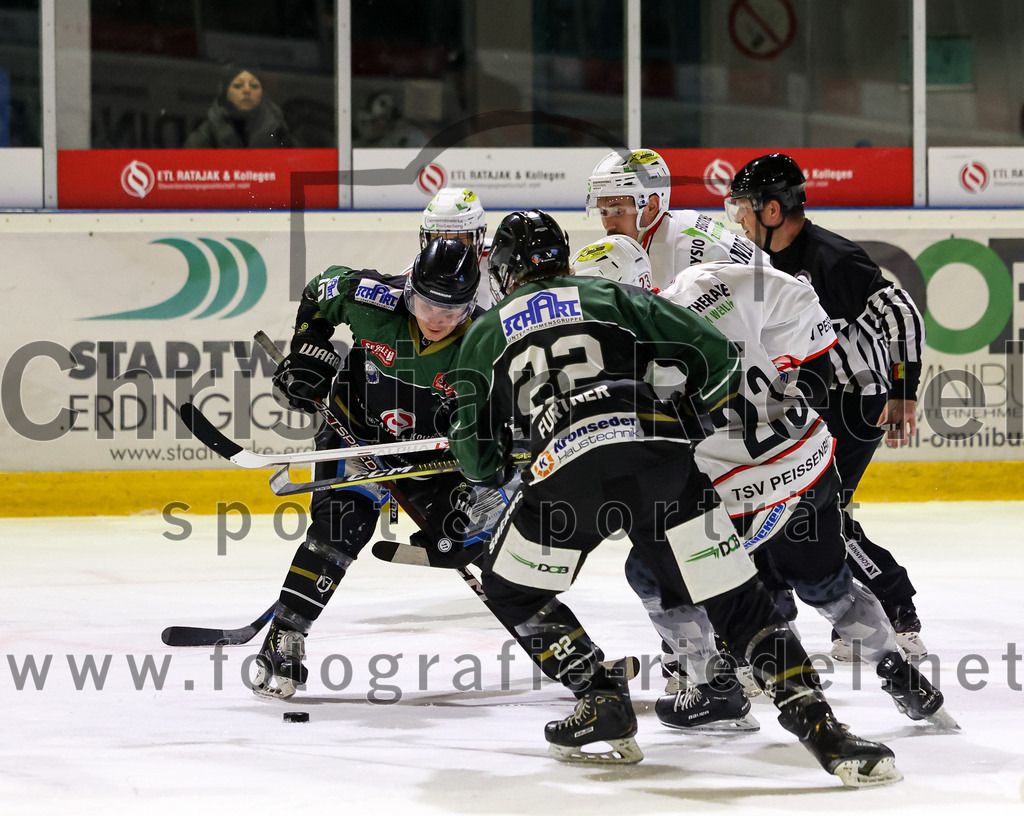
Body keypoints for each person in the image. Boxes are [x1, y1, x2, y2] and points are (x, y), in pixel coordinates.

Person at [448, 209, 902, 788]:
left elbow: (477, 463)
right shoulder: (610, 295)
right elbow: (714, 354)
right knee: (737, 600)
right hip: (659, 465)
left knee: (512, 590)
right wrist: (689, 415)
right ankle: (827, 733)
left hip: (566, 478)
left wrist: (516, 444)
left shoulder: (484, 333)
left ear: (503, 271)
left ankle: (599, 695)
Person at [571, 235, 953, 733]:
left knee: (648, 572)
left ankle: (716, 689)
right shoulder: (704, 282)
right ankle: (903, 678)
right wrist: (798, 363)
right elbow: (797, 291)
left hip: (748, 493)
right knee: (828, 587)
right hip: (810, 459)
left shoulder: (621, 361)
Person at [255, 237, 505, 699]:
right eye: (428, 305)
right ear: (410, 290)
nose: (437, 319)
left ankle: (562, 648)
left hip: (436, 455)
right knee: (341, 528)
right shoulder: (371, 298)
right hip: (357, 430)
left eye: (452, 312)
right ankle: (285, 634)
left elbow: (499, 435)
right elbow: (319, 291)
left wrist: (484, 500)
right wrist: (310, 348)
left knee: (478, 543)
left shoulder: (490, 340)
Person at [725, 153, 928, 660]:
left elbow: (902, 313)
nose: (739, 218)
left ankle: (894, 607)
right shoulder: (757, 261)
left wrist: (904, 391)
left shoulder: (833, 258)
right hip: (806, 405)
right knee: (787, 507)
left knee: (822, 512)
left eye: (745, 208)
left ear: (773, 210)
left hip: (856, 402)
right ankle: (812, 615)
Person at [585, 148, 768, 290]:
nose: (609, 224)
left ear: (651, 206)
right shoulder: (681, 221)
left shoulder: (674, 251)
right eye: (603, 212)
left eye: (618, 212)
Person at [411, 187, 494, 310]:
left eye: (459, 240)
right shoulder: (416, 277)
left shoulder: (502, 264)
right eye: (438, 239)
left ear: (478, 239)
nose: (448, 249)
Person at [184, 63, 294, 149]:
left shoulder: (280, 133)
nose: (247, 90)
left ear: (262, 94)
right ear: (226, 94)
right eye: (238, 86)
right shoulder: (205, 136)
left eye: (254, 86)